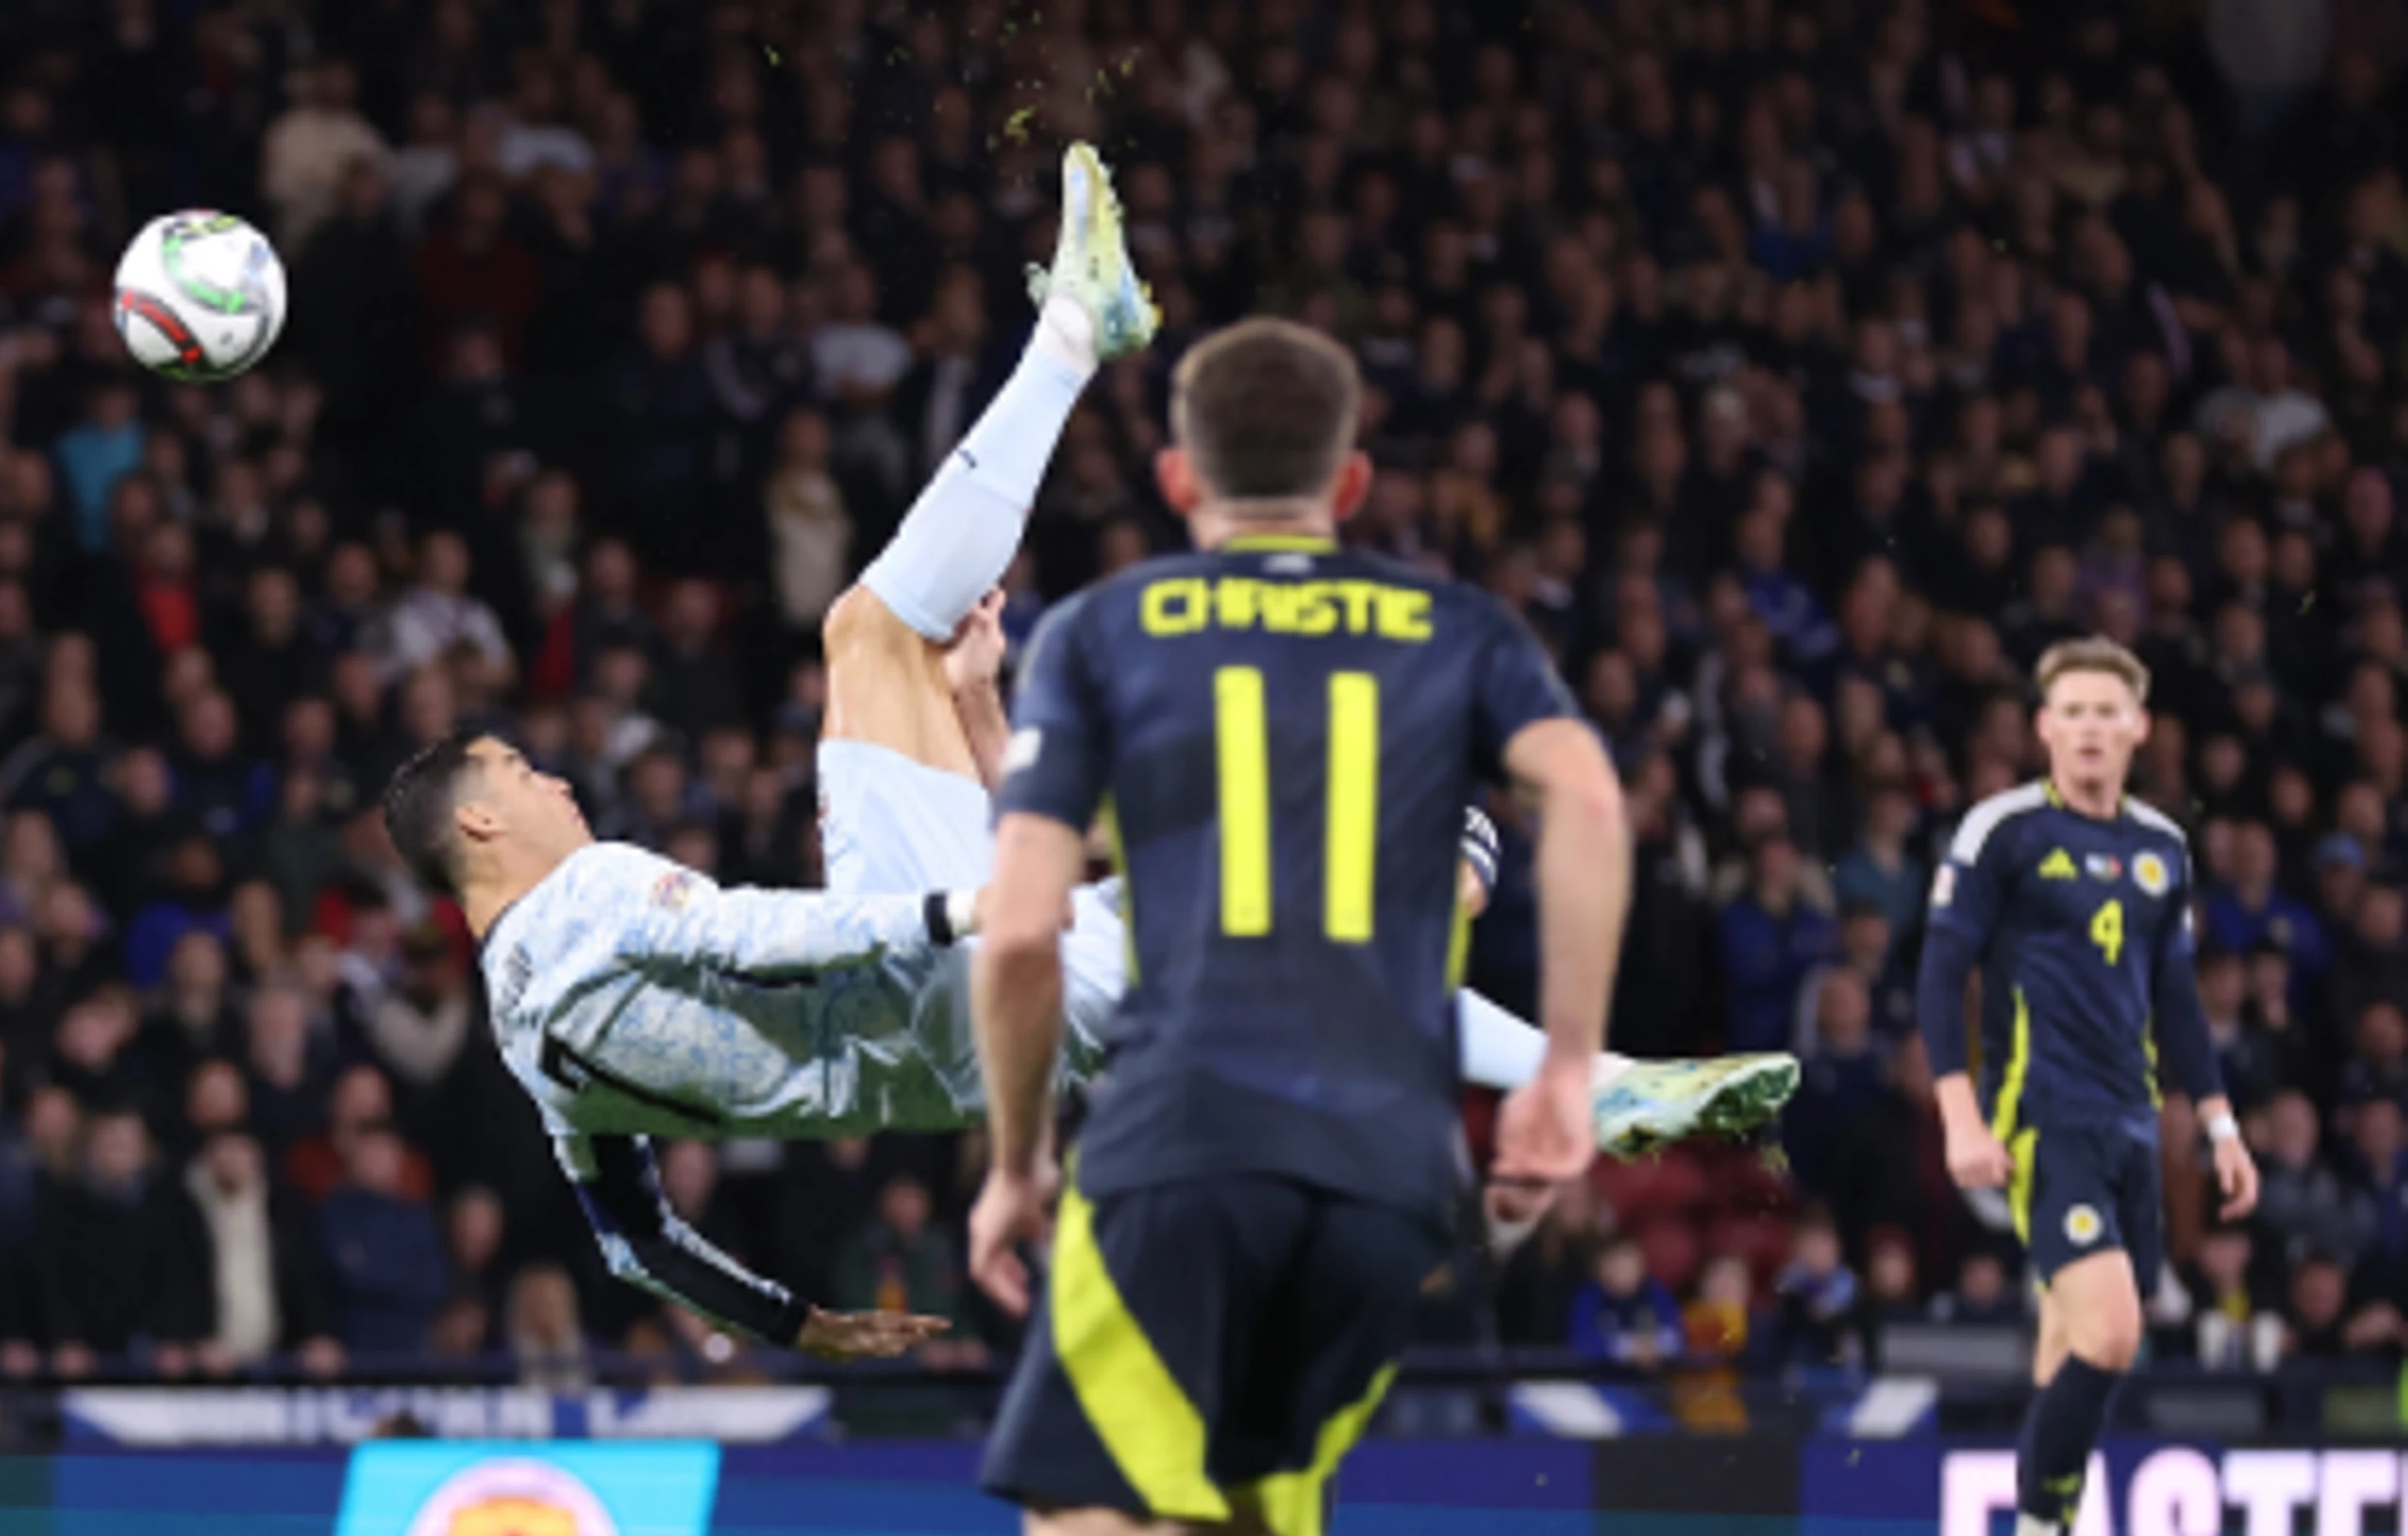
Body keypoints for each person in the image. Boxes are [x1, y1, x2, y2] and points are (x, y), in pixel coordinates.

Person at [386, 146, 1784, 1362]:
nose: (555, 782)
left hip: (935, 1054)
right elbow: (747, 939)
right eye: (521, 774)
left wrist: (794, 1325)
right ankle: (1074, 331)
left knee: (927, 676)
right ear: (481, 830)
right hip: (917, 978)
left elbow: (635, 1242)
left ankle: (1585, 1074)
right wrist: (959, 906)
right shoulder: (579, 903)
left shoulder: (535, 1055)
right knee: (913, 661)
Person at [961, 317, 1627, 1536]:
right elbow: (1587, 796)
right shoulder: (1455, 629)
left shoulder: (1109, 629)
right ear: (1353, 487)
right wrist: (1562, 1069)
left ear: (1177, 483)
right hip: (1391, 1179)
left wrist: (1017, 1160)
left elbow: (1020, 931)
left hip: (1182, 1146)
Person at [1919, 636, 2260, 1536]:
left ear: (2139, 727)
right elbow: (1941, 975)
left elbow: (2178, 1000)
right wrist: (1960, 1115)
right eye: (2072, 710)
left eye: (2110, 711)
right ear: (2044, 727)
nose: (2092, 728)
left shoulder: (2161, 849)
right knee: (2112, 1335)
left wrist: (2217, 1121)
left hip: (2130, 1124)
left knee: (2077, 1348)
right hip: (2041, 1120)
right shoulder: (2005, 833)